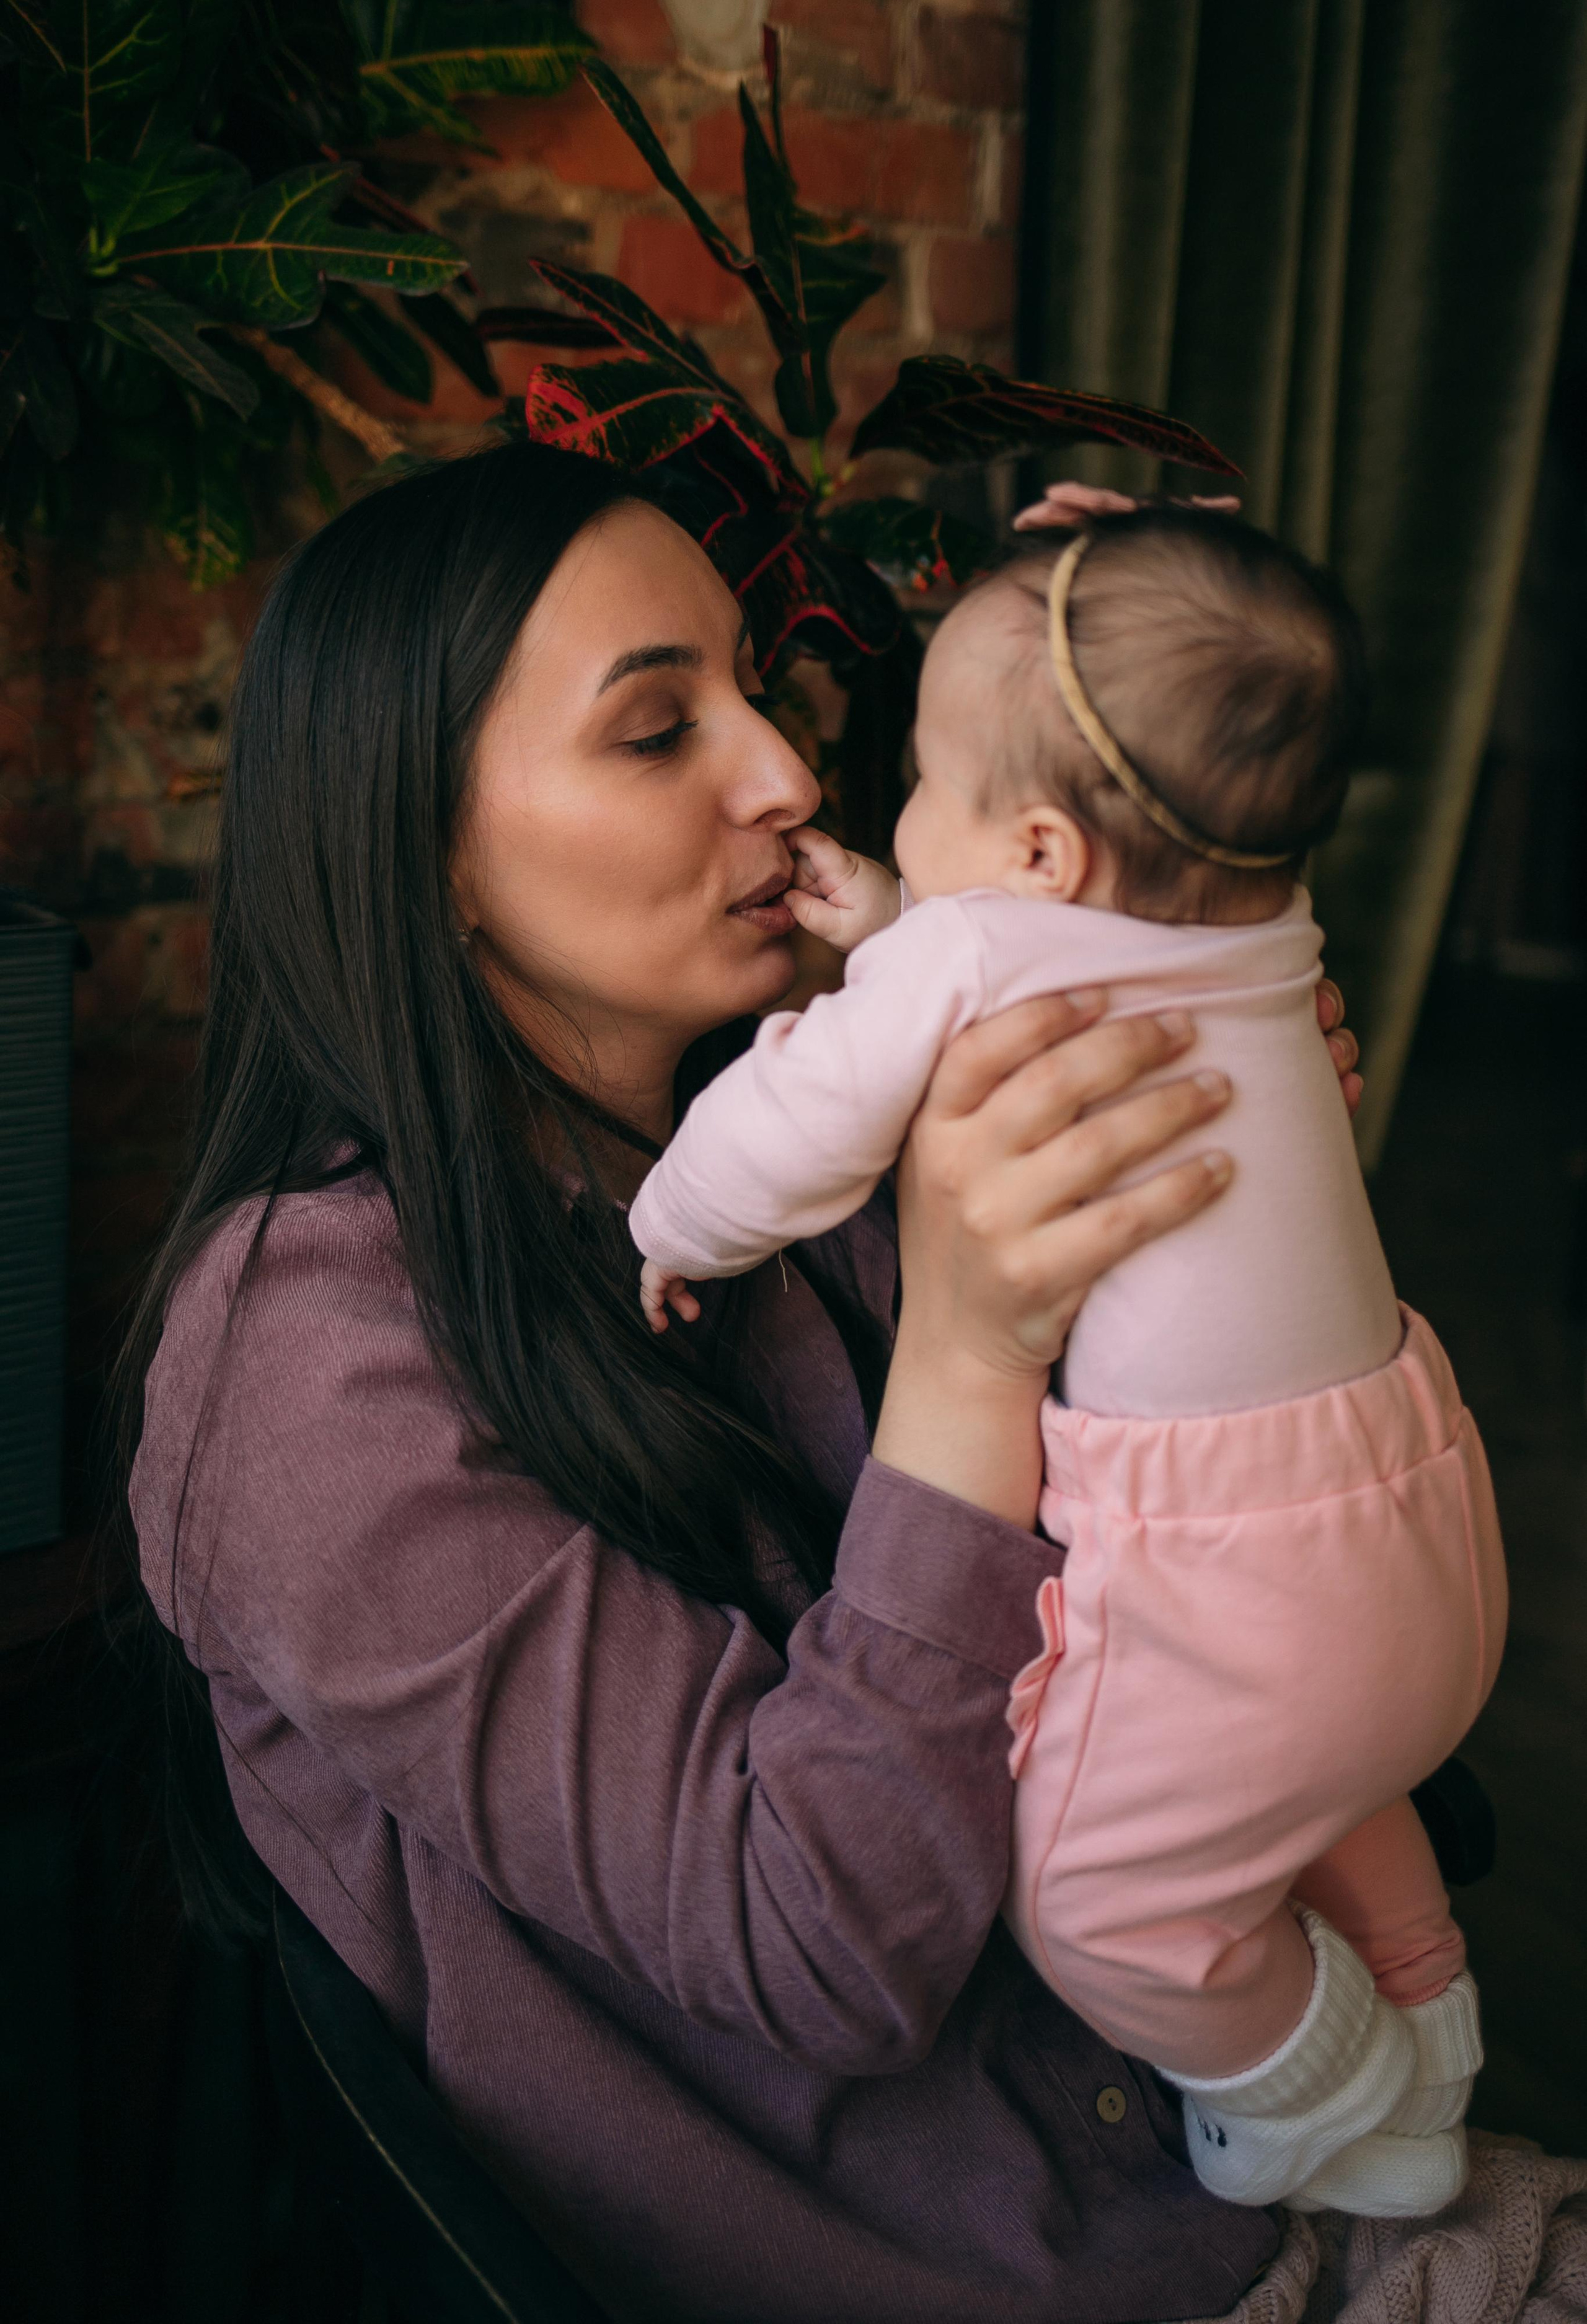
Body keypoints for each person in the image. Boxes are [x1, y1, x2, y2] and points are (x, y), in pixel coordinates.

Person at [124, 444, 1397, 2324]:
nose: (790, 774)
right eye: (658, 733)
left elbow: (1177, 1632)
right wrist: (970, 1348)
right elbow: (822, 1946)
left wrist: (1214, 1238)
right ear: (426, 850)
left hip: (1239, 2181)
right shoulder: (302, 1361)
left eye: (757, 687)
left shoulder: (796, 1152)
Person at [629, 506, 1506, 2222]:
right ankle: (1436, 2029)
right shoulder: (1256, 918)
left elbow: (804, 1117)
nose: (863, 805)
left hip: (1224, 1576)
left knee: (1104, 1897)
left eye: (922, 786)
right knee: (1323, 1786)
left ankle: (1338, 2077)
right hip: (1417, 1532)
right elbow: (1018, 940)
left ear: (1035, 849)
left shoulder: (974, 950)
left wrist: (679, 1220)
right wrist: (914, 903)